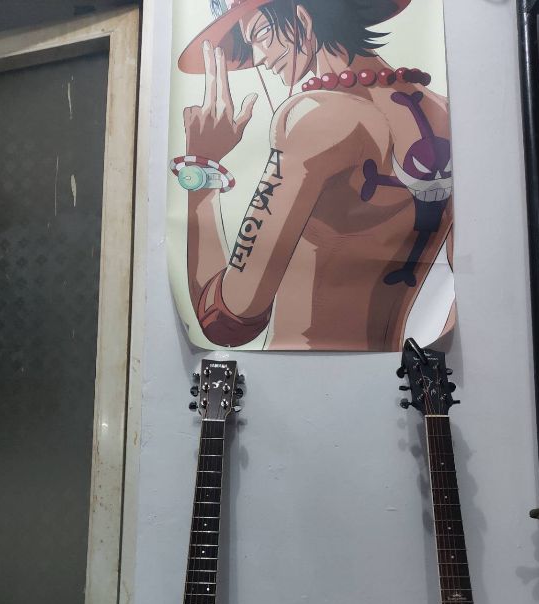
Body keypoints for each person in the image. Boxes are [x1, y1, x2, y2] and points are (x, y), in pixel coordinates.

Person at [175, 0, 453, 350]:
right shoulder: (444, 111)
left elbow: (226, 321)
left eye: (261, 33)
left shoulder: (313, 117)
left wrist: (202, 166)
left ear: (302, 19)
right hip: (391, 369)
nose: (258, 57)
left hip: (296, 372)